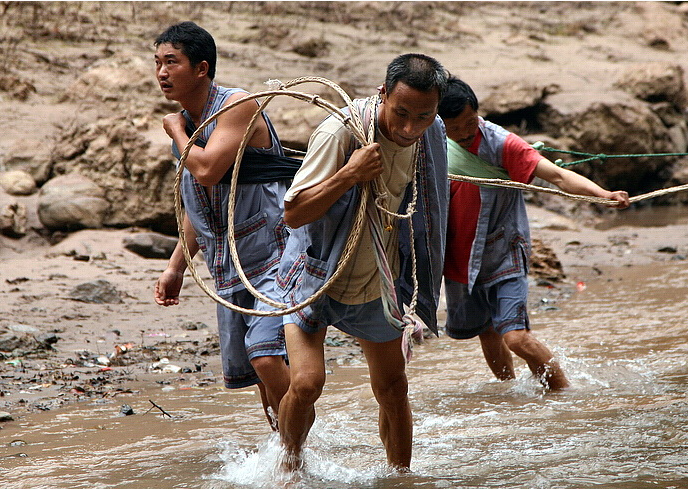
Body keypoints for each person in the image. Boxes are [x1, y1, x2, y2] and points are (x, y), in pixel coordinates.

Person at [276, 53, 449, 472]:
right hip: (316, 274)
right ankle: (289, 468)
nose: (410, 129)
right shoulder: (341, 132)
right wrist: (349, 175)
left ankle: (401, 476)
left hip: (376, 281)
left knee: (393, 388)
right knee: (305, 384)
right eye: (401, 113)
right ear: (383, 93)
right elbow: (293, 213)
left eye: (423, 116)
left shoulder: (432, 132)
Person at [438, 76, 630, 391]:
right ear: (438, 123)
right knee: (487, 331)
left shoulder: (500, 143)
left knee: (515, 337)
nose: (464, 133)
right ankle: (510, 390)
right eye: (454, 128)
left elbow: (557, 175)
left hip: (503, 252)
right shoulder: (430, 142)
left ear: (478, 112)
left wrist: (603, 195)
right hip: (459, 256)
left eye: (470, 122)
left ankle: (563, 394)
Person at [152, 21, 290, 428]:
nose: (161, 72)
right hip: (227, 265)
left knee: (266, 355)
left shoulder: (238, 106)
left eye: (171, 62)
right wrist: (177, 266)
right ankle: (289, 452)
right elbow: (202, 205)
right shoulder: (186, 124)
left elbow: (209, 170)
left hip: (272, 254)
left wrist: (178, 132)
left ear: (201, 68)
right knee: (259, 373)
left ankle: (298, 453)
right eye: (157, 62)